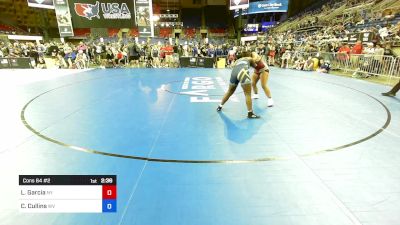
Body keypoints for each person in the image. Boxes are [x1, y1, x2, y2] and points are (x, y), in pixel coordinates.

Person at [217, 51, 260, 119]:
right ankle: (250, 113)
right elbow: (256, 64)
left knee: (229, 91)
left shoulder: (237, 60)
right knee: (247, 93)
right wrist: (255, 54)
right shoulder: (249, 58)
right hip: (242, 72)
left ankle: (220, 106)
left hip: (234, 72)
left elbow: (232, 65)